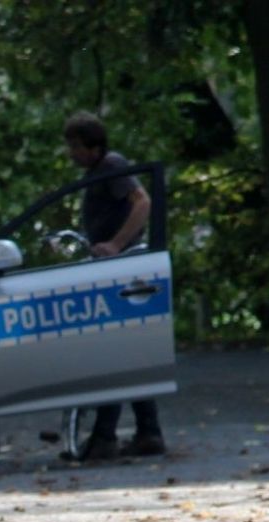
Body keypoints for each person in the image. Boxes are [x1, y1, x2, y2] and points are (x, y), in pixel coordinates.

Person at [62, 111, 166, 461]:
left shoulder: (112, 165)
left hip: (123, 269)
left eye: (76, 146)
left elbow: (143, 202)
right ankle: (148, 431)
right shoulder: (97, 173)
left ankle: (105, 435)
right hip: (115, 269)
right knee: (129, 350)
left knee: (114, 350)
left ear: (94, 146)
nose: (71, 153)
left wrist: (116, 245)